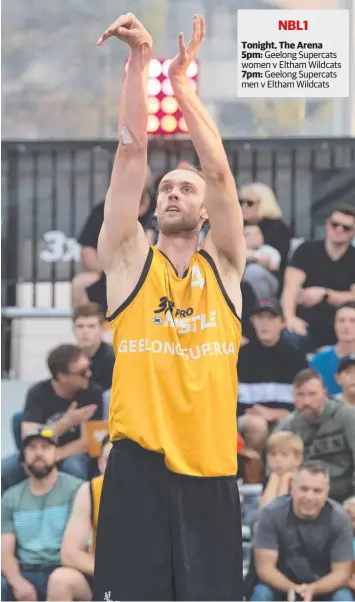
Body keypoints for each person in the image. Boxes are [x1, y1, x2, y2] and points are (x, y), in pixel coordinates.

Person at [93, 12, 246, 601]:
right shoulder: (130, 261)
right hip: (140, 469)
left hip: (210, 469)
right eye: (166, 189)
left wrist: (181, 86)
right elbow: (132, 154)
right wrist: (140, 62)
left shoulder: (225, 270)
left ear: (205, 212)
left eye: (185, 188)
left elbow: (221, 172)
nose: (172, 193)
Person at [1, 344, 103, 492]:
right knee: (5, 471)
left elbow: (88, 442)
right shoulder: (38, 393)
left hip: (72, 453)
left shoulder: (92, 392)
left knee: (74, 468)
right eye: (82, 372)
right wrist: (67, 422)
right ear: (62, 376)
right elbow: (29, 436)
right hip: (38, 450)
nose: (89, 374)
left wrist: (53, 456)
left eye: (89, 367)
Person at [251, 461, 354, 602]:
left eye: (317, 491)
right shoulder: (271, 514)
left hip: (325, 587)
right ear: (292, 488)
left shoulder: (340, 519)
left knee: (343, 598)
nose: (309, 497)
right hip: (279, 586)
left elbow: (342, 572)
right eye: (304, 489)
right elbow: (265, 569)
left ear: (327, 493)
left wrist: (313, 589)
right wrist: (292, 588)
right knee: (261, 595)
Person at [1, 427, 82, 602]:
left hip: (63, 568)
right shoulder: (10, 497)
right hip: (26, 571)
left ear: (56, 452)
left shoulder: (77, 490)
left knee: (60, 581)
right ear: (23, 454)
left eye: (45, 447)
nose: (38, 453)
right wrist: (18, 583)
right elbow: (4, 550)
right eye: (32, 448)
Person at [72, 168, 156, 311]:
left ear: (149, 182)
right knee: (79, 284)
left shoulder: (159, 208)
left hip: (152, 274)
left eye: (141, 178)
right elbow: (87, 251)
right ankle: (88, 328)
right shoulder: (105, 209)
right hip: (110, 273)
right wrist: (109, 273)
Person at [238, 299, 308, 455]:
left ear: (282, 323)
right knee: (257, 425)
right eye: (260, 318)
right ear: (253, 322)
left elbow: (304, 399)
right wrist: (252, 411)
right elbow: (231, 400)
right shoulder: (239, 356)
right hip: (248, 416)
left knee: (288, 424)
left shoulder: (296, 358)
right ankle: (252, 479)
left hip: (286, 415)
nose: (265, 323)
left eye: (271, 318)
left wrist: (275, 414)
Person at [47, 436, 112, 601]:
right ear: (99, 464)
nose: (115, 470)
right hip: (103, 576)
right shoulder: (90, 490)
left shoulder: (154, 492)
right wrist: (112, 573)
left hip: (144, 578)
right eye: (108, 461)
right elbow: (69, 553)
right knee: (61, 579)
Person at [282, 206, 355, 352]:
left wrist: (325, 294)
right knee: (290, 335)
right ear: (328, 224)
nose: (339, 230)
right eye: (335, 225)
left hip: (344, 326)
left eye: (346, 227)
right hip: (307, 322)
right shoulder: (306, 250)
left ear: (352, 232)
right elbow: (290, 288)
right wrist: (290, 318)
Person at [276, 369, 355, 503]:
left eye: (312, 394)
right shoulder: (287, 427)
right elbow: (274, 468)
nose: (306, 401)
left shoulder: (346, 416)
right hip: (304, 494)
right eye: (300, 395)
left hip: (344, 492)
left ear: (324, 393)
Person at [238, 181, 291, 287]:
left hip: (269, 277)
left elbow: (272, 262)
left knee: (254, 272)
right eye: (241, 202)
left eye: (249, 203)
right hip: (239, 273)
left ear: (263, 203)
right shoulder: (237, 225)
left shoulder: (277, 228)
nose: (243, 206)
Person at [310, 302, 355, 396]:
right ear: (334, 325)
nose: (346, 326)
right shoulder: (318, 362)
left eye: (353, 321)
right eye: (341, 320)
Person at [72, 302, 115, 393]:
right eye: (80, 326)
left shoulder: (112, 359)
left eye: (91, 326)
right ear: (74, 329)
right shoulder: (69, 358)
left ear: (102, 329)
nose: (85, 331)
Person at [259, 431, 304, 510]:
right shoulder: (271, 478)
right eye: (273, 454)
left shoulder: (301, 481)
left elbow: (282, 510)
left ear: (298, 459)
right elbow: (264, 510)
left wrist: (285, 481)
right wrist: (274, 479)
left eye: (284, 455)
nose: (278, 460)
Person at [243, 223, 281, 300]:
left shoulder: (269, 250)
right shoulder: (237, 252)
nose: (253, 237)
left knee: (254, 271)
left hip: (268, 283)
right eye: (248, 235)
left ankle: (262, 305)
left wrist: (264, 262)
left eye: (257, 234)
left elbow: (274, 268)